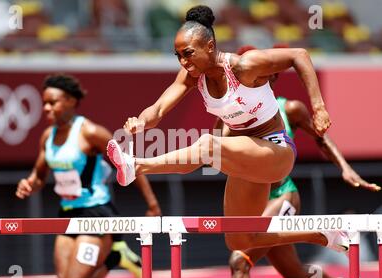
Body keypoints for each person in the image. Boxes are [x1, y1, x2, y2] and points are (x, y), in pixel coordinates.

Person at [106, 5, 348, 254]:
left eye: (188, 53)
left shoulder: (244, 66)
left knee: (208, 146)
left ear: (209, 46)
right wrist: (141, 122)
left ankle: (136, 166)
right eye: (178, 55)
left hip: (276, 150)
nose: (183, 61)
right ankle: (321, 236)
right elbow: (157, 110)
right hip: (245, 156)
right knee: (239, 240)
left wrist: (319, 108)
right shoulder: (191, 76)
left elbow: (300, 55)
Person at [223, 45, 380, 278]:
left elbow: (321, 139)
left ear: (270, 76)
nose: (242, 81)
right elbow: (217, 144)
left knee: (239, 261)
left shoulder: (291, 109)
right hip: (254, 203)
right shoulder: (235, 112)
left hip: (282, 196)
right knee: (294, 275)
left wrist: (346, 168)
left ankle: (323, 236)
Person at [16, 74, 161, 278]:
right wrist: (29, 184)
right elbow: (40, 175)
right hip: (67, 214)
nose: (45, 108)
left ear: (71, 101)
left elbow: (130, 164)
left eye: (52, 102)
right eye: (44, 102)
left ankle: (115, 257)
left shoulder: (91, 132)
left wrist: (153, 205)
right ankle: (116, 255)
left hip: (97, 215)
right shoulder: (47, 136)